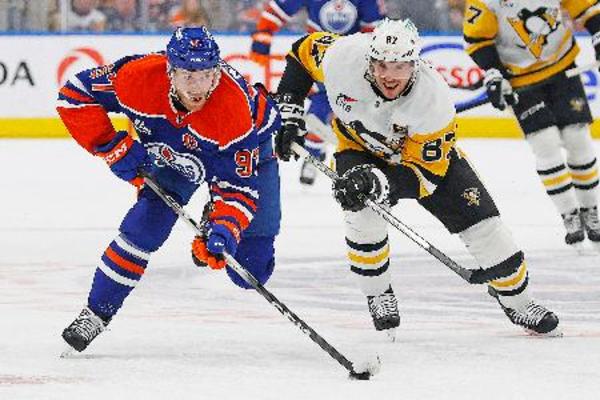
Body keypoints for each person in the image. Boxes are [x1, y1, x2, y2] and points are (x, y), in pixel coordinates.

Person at [274, 18, 561, 339]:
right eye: (381, 65)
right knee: (363, 218)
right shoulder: (343, 56)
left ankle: (519, 302)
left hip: (425, 164)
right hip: (359, 149)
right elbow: (301, 54)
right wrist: (289, 115)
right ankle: (378, 293)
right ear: (369, 60)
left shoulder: (433, 100)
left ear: (414, 64)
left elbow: (425, 177)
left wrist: (380, 184)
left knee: (487, 231)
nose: (389, 75)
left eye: (399, 67)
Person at [57, 26, 282, 353]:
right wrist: (111, 146)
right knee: (144, 226)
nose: (198, 87)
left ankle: (213, 215)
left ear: (217, 72)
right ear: (170, 70)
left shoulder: (233, 111)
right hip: (179, 150)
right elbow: (74, 95)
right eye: (188, 75)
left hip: (249, 146)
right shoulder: (138, 77)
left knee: (249, 272)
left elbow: (238, 189)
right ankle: (95, 313)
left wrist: (225, 227)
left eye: (206, 75)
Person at [463, 0, 600, 252]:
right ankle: (569, 213)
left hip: (562, 68)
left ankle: (591, 210)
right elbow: (477, 40)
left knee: (578, 140)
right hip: (520, 80)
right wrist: (494, 72)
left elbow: (587, 7)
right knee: (545, 143)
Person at [250, 0, 385, 185]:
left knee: (350, 114)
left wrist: (370, 59)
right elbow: (280, 9)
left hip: (350, 63)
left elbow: (373, 30)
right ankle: (314, 154)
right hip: (316, 57)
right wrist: (264, 33)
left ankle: (346, 155)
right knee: (318, 110)